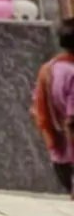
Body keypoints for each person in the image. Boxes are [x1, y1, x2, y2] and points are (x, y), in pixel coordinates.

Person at [32, 17, 74, 194]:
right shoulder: (71, 73)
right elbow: (72, 121)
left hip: (58, 155)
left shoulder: (48, 69)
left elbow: (37, 107)